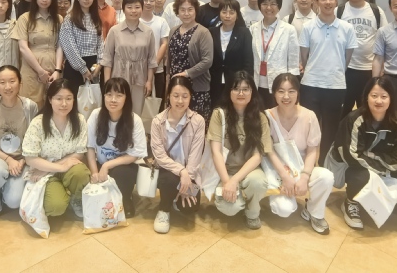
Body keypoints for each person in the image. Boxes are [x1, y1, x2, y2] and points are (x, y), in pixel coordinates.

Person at [331, 76, 397, 229]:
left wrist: (372, 157)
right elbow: (352, 156)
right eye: (374, 95)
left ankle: (365, 202)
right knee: (361, 178)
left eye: (384, 96)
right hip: (354, 167)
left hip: (382, 171)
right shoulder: (354, 119)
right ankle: (350, 201)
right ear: (366, 97)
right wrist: (380, 163)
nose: (378, 101)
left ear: (391, 99)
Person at [265, 73, 334, 235]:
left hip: (301, 168)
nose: (286, 96)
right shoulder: (267, 116)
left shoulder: (309, 116)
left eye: (291, 91)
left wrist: (304, 177)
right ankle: (277, 196)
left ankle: (314, 212)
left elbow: (312, 150)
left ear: (298, 93)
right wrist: (285, 176)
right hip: (278, 173)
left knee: (326, 177)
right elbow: (268, 151)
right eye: (281, 91)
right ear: (274, 93)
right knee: (284, 209)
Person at [299, 0, 357, 162]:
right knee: (308, 127)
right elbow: (304, 56)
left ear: (336, 1)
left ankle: (324, 163)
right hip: (310, 84)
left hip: (336, 85)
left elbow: (347, 57)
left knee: (331, 128)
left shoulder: (347, 28)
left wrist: (335, 71)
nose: (327, 2)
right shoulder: (308, 27)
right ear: (316, 2)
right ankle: (306, 164)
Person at [208, 72, 271, 229]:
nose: (241, 93)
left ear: (252, 92)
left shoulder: (261, 118)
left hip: (250, 171)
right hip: (226, 171)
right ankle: (239, 199)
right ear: (229, 91)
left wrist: (235, 181)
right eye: (236, 89)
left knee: (258, 183)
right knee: (230, 208)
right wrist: (227, 181)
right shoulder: (219, 115)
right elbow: (216, 152)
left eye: (245, 89)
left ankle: (252, 212)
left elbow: (258, 156)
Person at [22, 79, 91, 218]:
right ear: (50, 99)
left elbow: (79, 153)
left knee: (80, 173)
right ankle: (62, 193)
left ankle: (76, 198)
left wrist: (56, 167)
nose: (64, 104)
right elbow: (30, 158)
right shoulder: (38, 123)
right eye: (59, 99)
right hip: (45, 173)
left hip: (63, 169)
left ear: (74, 99)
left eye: (68, 98)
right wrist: (56, 168)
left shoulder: (79, 120)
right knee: (55, 207)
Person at [0, 65, 39, 221]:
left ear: (20, 83)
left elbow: (36, 140)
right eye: (2, 82)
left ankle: (4, 188)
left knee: (14, 201)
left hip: (23, 160)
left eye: (12, 81)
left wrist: (23, 160)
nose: (7, 87)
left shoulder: (30, 107)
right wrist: (8, 160)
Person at [150, 76, 206, 234]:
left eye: (185, 96)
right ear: (168, 96)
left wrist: (188, 178)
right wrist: (181, 172)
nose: (180, 101)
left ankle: (175, 195)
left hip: (189, 173)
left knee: (191, 208)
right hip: (167, 171)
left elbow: (196, 155)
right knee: (169, 179)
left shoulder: (198, 121)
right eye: (176, 95)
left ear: (190, 97)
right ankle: (164, 210)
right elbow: (160, 156)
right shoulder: (157, 122)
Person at [86, 77, 147, 217]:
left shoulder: (134, 120)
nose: (113, 100)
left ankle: (125, 198)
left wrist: (107, 165)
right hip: (99, 163)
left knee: (122, 174)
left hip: (124, 165)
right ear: (104, 96)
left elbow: (134, 154)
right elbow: (90, 147)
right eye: (109, 95)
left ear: (126, 98)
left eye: (119, 95)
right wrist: (95, 173)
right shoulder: (96, 115)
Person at [338, 0, 388, 114]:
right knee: (343, 110)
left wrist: (383, 66)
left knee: (367, 109)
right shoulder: (339, 11)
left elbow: (385, 39)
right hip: (346, 69)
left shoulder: (376, 11)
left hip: (369, 69)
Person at [101, 0, 158, 115]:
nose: (133, 11)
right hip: (118, 78)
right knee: (118, 112)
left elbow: (151, 59)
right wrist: (107, 83)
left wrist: (149, 81)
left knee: (137, 113)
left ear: (142, 9)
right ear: (123, 9)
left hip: (140, 79)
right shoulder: (114, 31)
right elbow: (107, 59)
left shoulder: (148, 32)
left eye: (137, 7)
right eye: (129, 7)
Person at [14, 0, 64, 108]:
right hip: (31, 69)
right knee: (31, 106)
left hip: (53, 68)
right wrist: (40, 71)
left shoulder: (59, 19)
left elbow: (60, 46)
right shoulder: (25, 18)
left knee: (53, 104)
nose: (44, 0)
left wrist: (57, 70)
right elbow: (23, 48)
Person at [166, 0, 214, 123]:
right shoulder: (173, 31)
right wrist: (168, 78)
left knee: (195, 124)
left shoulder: (203, 32)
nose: (186, 13)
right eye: (182, 10)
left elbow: (207, 61)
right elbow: (170, 58)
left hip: (196, 87)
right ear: (177, 12)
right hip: (175, 85)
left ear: (196, 11)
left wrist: (186, 73)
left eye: (190, 9)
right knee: (175, 122)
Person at [251, 0, 300, 108]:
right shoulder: (253, 29)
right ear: (259, 5)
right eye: (264, 4)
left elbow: (293, 63)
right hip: (256, 83)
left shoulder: (289, 30)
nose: (269, 8)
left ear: (279, 7)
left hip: (280, 85)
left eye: (273, 4)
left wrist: (291, 88)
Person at [209, 0, 254, 107]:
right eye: (224, 12)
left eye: (232, 12)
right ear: (219, 14)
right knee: (216, 110)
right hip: (214, 82)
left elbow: (248, 61)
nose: (227, 16)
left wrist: (245, 82)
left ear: (237, 15)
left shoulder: (244, 33)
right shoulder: (211, 32)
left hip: (236, 83)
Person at [59, 0, 104, 91]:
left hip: (93, 65)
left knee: (92, 97)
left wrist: (99, 64)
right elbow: (68, 45)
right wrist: (82, 68)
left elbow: (100, 43)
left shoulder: (95, 18)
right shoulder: (70, 18)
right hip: (74, 65)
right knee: (73, 96)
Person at [140, 0, 170, 99]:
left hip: (158, 69)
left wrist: (154, 64)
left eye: (151, 0)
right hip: (138, 70)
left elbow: (164, 44)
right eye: (145, 0)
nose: (148, 3)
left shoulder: (161, 21)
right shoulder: (135, 21)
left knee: (157, 101)